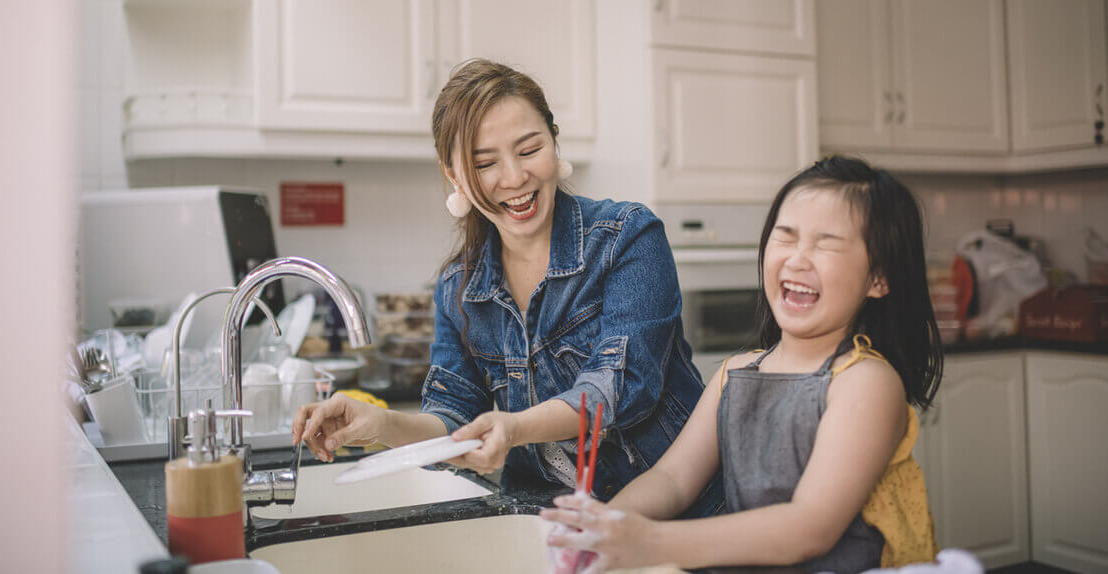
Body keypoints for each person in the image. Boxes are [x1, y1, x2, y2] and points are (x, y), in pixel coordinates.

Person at [292, 59, 721, 515]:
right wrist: (382, 424)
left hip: (680, 518)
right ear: (454, 175)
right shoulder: (459, 287)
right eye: (484, 163)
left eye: (529, 149)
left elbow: (616, 386)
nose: (514, 178)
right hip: (556, 525)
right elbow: (453, 418)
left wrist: (513, 428)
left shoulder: (627, 237)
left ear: (554, 142)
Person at [542, 156, 944, 573]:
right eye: (785, 237)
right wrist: (604, 525)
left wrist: (651, 542)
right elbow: (673, 481)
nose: (798, 259)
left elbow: (809, 527)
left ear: (879, 277)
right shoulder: (735, 374)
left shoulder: (865, 382)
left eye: (825, 243)